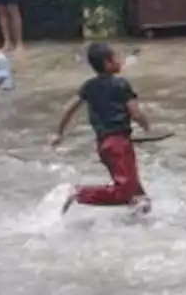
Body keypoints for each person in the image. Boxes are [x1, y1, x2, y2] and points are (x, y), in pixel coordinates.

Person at [52, 42, 151, 214]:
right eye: (116, 57)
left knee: (137, 194)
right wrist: (146, 125)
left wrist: (59, 133)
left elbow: (69, 109)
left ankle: (140, 225)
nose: (120, 60)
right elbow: (135, 113)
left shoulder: (89, 86)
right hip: (119, 145)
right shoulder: (121, 85)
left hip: (104, 145)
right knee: (124, 192)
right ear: (108, 63)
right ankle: (79, 193)